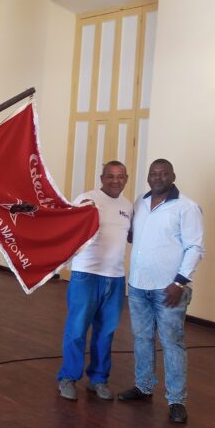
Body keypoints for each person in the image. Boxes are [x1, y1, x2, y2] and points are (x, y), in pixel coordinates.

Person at [117, 159, 204, 424]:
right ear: (148, 177)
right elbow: (135, 235)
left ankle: (177, 400)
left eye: (163, 173)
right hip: (138, 285)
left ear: (173, 176)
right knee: (142, 339)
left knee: (172, 344)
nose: (158, 177)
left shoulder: (186, 207)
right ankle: (144, 386)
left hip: (170, 289)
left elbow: (195, 248)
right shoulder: (140, 202)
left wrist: (179, 282)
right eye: (153, 174)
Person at [56, 161, 133, 401]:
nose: (115, 181)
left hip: (116, 277)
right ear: (102, 178)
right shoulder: (87, 199)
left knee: (106, 332)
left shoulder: (128, 206)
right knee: (77, 329)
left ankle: (99, 379)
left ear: (126, 179)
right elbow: (69, 227)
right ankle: (68, 377)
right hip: (86, 275)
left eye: (120, 177)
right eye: (110, 176)